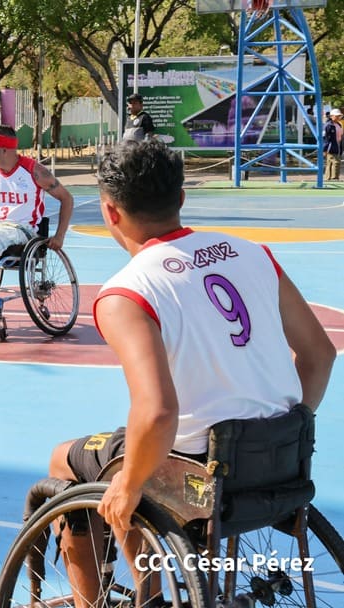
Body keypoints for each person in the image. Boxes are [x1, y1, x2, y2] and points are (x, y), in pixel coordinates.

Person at [46, 140, 335, 606]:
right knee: (132, 453)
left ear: (110, 212)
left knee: (72, 460)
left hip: (198, 473)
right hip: (281, 458)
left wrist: (129, 486)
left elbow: (158, 413)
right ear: (181, 197)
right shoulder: (253, 254)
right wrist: (286, 427)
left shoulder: (127, 292)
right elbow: (320, 355)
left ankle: (131, 597)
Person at [0, 125, 74, 324]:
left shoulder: (34, 171)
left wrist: (60, 236)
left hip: (22, 231)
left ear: (4, 149)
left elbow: (67, 198)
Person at [323, 108, 342, 182]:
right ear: (331, 116)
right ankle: (334, 178)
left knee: (330, 162)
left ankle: (328, 178)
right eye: (336, 116)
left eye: (339, 116)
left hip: (337, 145)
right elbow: (325, 138)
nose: (338, 117)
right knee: (336, 162)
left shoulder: (338, 124)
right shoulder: (328, 125)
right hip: (330, 146)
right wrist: (324, 149)